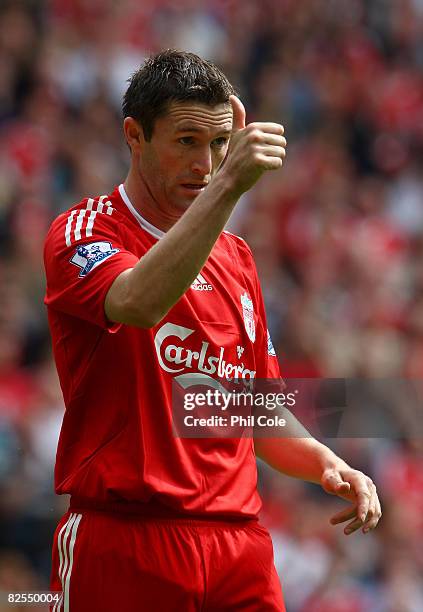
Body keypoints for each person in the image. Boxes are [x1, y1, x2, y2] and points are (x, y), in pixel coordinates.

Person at [44, 50, 381, 612]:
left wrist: (327, 462)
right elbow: (138, 302)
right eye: (186, 141)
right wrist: (229, 189)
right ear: (135, 135)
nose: (207, 163)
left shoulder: (238, 260)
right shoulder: (84, 229)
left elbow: (253, 410)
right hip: (126, 539)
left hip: (237, 548)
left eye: (220, 145)